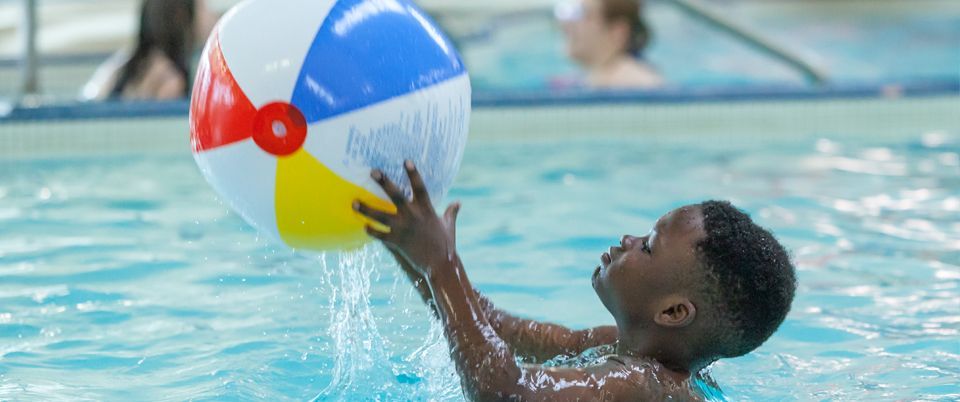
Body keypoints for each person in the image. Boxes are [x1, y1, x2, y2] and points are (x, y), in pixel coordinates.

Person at [353, 161, 796, 400]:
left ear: (673, 312)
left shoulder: (641, 387)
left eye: (647, 246)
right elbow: (495, 327)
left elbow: (503, 392)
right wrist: (406, 244)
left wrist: (441, 264)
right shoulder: (615, 345)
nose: (628, 238)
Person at [81, 0, 216, 101]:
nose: (211, 16)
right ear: (182, 16)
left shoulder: (125, 64)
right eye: (204, 7)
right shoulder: (170, 78)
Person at [555, 0, 663, 90]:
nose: (567, 25)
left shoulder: (638, 86)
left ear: (618, 32)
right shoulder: (594, 81)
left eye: (583, 15)